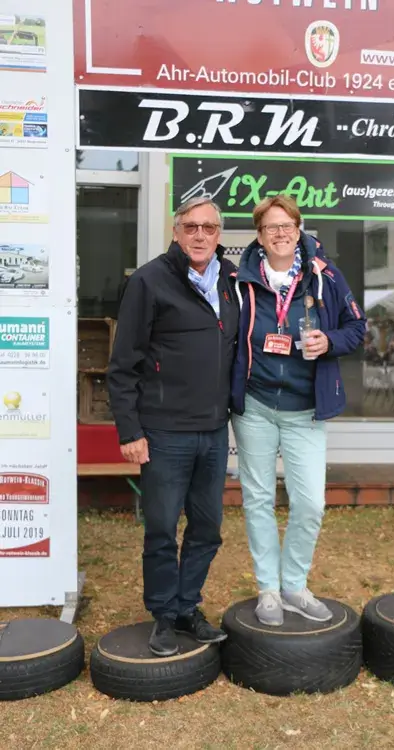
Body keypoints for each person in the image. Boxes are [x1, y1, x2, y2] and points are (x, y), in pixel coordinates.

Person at [107, 197, 239, 656]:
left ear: (219, 235)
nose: (200, 235)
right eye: (191, 226)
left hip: (214, 430)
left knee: (207, 528)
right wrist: (130, 431)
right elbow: (123, 364)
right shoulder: (149, 280)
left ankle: (187, 607)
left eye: (209, 227)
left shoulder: (230, 281)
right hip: (163, 431)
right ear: (176, 230)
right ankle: (163, 616)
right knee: (162, 528)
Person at [231, 195, 366, 627]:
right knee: (258, 500)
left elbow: (357, 327)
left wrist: (329, 341)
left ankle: (294, 584)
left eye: (288, 225)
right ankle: (269, 590)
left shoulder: (324, 275)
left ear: (298, 229)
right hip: (254, 407)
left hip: (305, 409)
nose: (281, 233)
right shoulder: (239, 280)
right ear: (259, 235)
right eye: (271, 227)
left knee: (309, 503)